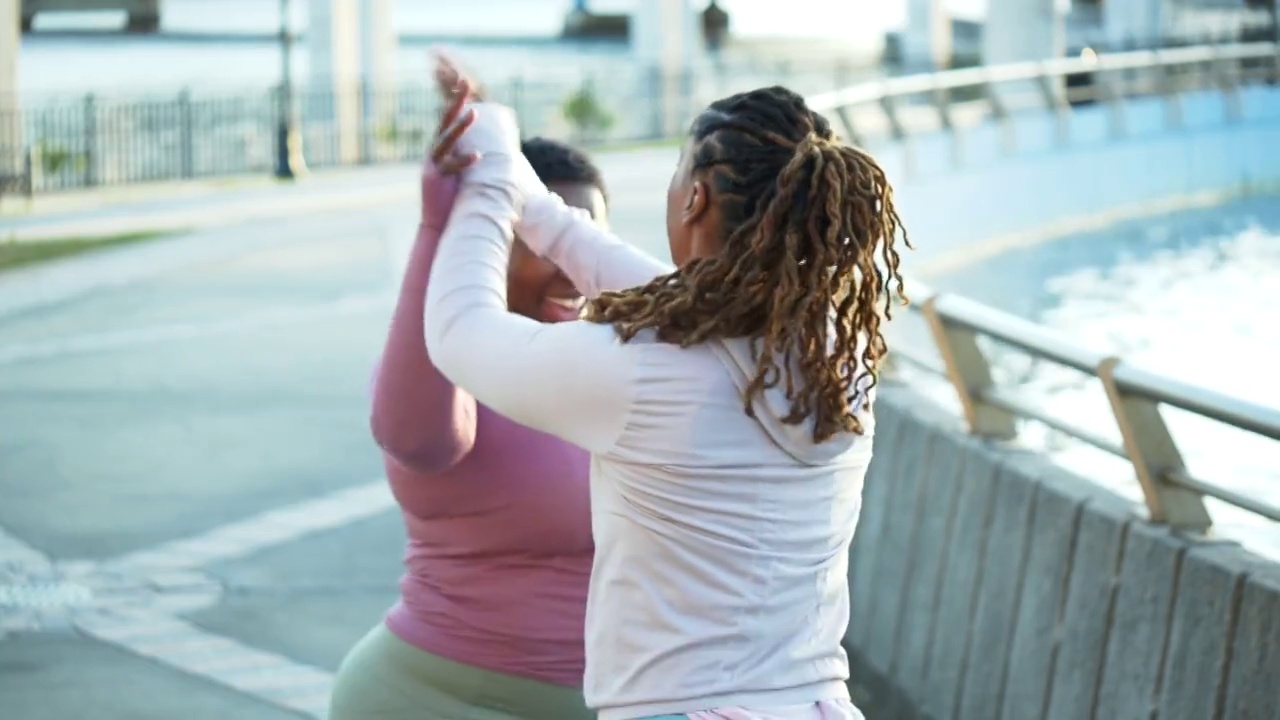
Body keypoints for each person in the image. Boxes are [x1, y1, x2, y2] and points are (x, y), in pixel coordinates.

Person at [424, 58, 909, 720]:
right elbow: (658, 294)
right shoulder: (833, 356)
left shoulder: (645, 373)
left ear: (695, 198)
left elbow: (459, 331)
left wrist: (482, 188)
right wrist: (508, 163)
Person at [327, 79, 609, 720]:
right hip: (422, 697)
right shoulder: (447, 370)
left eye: (584, 240)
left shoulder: (624, 365)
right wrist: (439, 224)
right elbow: (416, 437)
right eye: (542, 241)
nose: (571, 268)